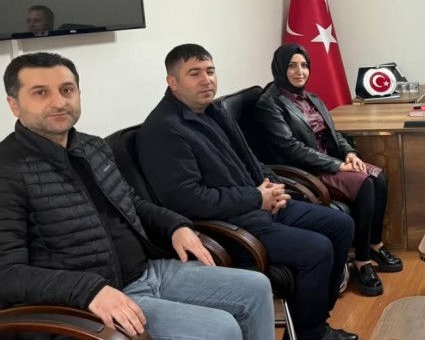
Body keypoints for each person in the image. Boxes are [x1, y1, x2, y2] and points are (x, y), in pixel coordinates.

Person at [0, 52, 274, 340]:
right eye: (40, 93)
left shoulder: (93, 148)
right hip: (88, 302)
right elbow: (6, 273)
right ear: (14, 105)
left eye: (66, 90)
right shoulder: (7, 171)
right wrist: (88, 290)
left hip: (145, 271)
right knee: (220, 328)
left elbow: (132, 203)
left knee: (257, 287)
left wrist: (175, 226)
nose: (58, 102)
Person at [137, 44, 359, 340]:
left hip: (261, 205)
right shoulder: (164, 131)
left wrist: (274, 187)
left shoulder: (214, 111)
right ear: (172, 82)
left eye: (210, 71)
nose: (207, 80)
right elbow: (187, 200)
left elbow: (251, 159)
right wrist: (257, 197)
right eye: (194, 73)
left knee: (342, 225)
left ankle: (316, 322)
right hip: (231, 226)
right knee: (317, 249)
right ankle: (311, 334)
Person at [253, 44, 402, 297]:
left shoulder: (311, 98)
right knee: (365, 183)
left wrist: (349, 153)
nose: (300, 71)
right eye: (292, 66)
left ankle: (375, 244)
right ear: (279, 68)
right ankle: (362, 261)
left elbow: (333, 134)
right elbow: (291, 149)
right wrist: (338, 165)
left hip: (330, 162)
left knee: (379, 178)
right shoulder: (269, 104)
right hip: (304, 170)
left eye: (304, 65)